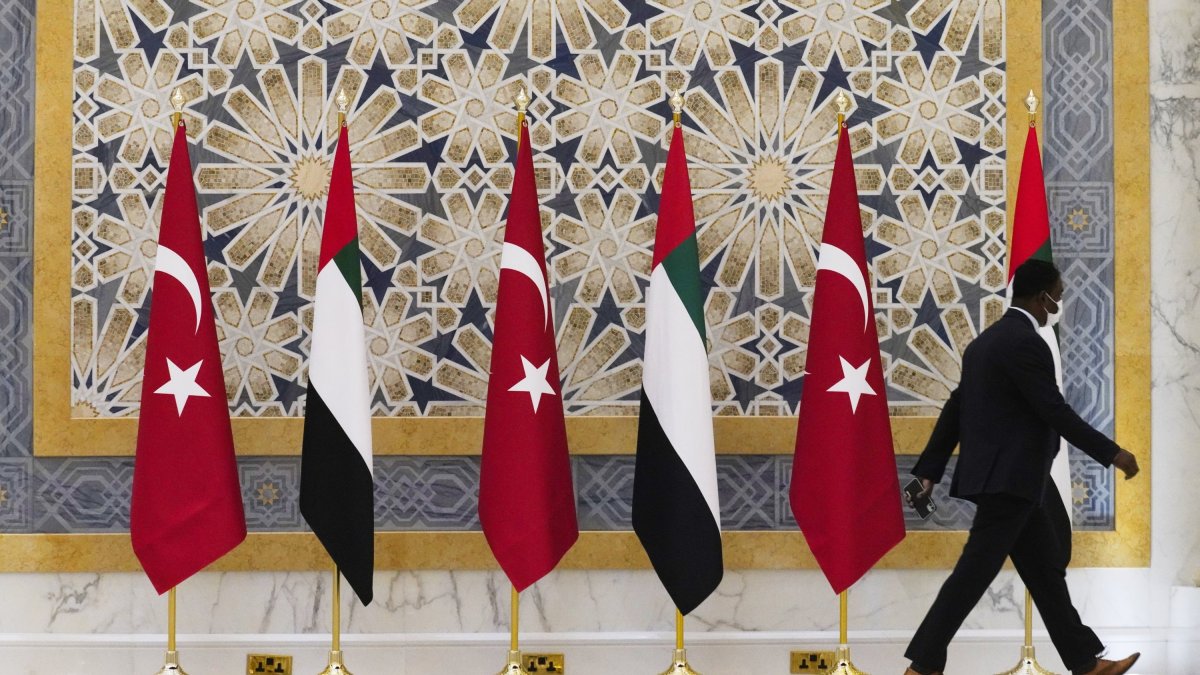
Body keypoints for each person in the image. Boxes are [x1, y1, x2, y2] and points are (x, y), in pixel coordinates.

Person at [903, 259, 1141, 675]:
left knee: (1046, 574)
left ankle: (1086, 663)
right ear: (1040, 295)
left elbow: (954, 410)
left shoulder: (985, 344)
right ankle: (922, 667)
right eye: (1058, 295)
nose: (1059, 302)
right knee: (971, 576)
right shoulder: (1025, 343)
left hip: (1015, 480)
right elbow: (1052, 409)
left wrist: (929, 469)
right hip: (1010, 481)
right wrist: (1112, 452)